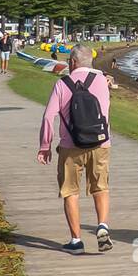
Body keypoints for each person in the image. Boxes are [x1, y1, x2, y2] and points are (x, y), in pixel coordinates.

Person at [37, 44, 112, 254]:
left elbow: (48, 117)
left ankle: (76, 241)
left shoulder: (62, 85)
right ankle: (103, 226)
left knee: (70, 191)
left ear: (72, 62)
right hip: (101, 144)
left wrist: (45, 146)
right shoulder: (102, 81)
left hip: (70, 146)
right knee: (101, 187)